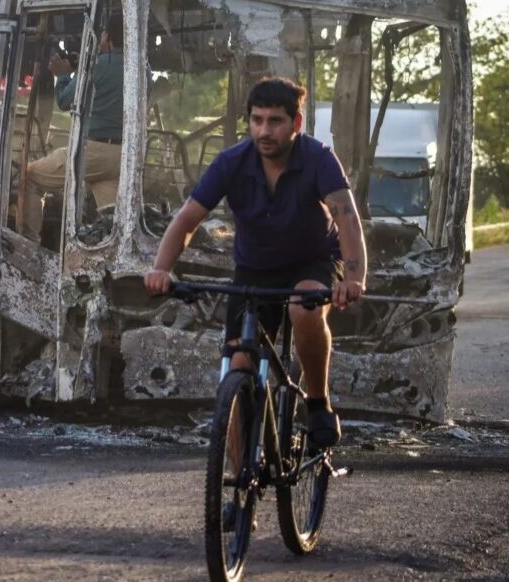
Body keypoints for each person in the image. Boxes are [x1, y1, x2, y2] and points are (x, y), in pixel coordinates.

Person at [144, 77, 366, 447]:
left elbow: (346, 217)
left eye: (275, 121)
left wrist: (355, 277)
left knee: (303, 309)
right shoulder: (231, 162)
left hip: (313, 260)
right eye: (257, 120)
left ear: (295, 124)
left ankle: (317, 401)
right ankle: (234, 485)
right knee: (238, 364)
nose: (264, 130)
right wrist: (161, 269)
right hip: (254, 268)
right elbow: (186, 219)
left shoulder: (319, 158)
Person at [22, 14, 125, 239]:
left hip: (93, 152)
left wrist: (63, 75)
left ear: (107, 38)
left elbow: (66, 100)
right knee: (113, 220)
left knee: (29, 176)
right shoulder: (141, 69)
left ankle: (29, 244)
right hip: (121, 156)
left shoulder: (97, 66)